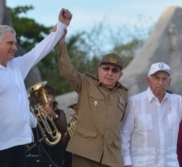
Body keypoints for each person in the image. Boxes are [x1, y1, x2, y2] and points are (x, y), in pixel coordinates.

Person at [0, 8, 72, 167]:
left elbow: (39, 51)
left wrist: (61, 26)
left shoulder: (16, 66)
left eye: (15, 43)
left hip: (20, 145)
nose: (14, 47)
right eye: (10, 43)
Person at [57, 30, 128, 167]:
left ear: (120, 75)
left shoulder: (123, 94)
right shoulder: (86, 83)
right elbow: (67, 71)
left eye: (114, 70)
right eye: (106, 68)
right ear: (99, 70)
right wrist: (61, 43)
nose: (109, 73)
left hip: (111, 157)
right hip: (86, 153)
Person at [121, 62, 182, 167]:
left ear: (169, 82)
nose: (160, 82)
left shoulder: (178, 102)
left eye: (164, 79)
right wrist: (127, 163)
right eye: (157, 78)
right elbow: (124, 134)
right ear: (148, 80)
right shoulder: (134, 102)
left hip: (170, 164)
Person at [43, 84, 68, 167]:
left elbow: (64, 128)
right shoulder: (39, 115)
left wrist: (53, 114)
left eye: (48, 94)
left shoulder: (60, 112)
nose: (46, 96)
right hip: (43, 152)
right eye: (43, 94)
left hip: (57, 151)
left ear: (53, 97)